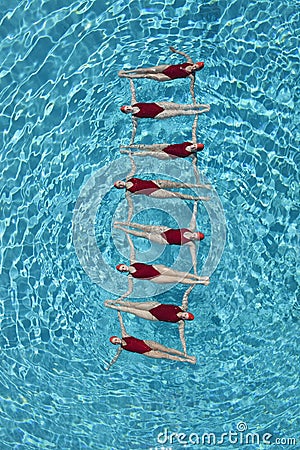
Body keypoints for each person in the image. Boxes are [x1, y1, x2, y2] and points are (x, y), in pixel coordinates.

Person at [122, 79, 210, 143]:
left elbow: (133, 92)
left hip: (159, 104)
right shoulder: (134, 117)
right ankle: (201, 112)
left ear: (128, 105)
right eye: (127, 110)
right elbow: (134, 129)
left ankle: (203, 106)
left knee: (182, 106)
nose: (129, 109)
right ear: (127, 113)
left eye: (127, 107)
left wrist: (130, 80)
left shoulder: (134, 102)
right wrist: (131, 141)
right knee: (181, 112)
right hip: (159, 114)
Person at [106, 311, 196, 369]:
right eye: (115, 342)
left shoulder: (125, 335)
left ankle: (188, 356)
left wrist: (119, 313)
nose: (117, 341)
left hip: (148, 343)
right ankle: (188, 360)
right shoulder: (121, 348)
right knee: (167, 356)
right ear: (115, 344)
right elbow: (116, 357)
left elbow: (122, 324)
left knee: (168, 350)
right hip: (147, 352)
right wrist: (110, 365)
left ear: (117, 337)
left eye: (116, 339)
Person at [104, 299, 194, 354]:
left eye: (185, 318)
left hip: (152, 316)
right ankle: (113, 301)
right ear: (186, 312)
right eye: (185, 315)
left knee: (131, 310)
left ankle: (111, 306)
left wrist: (184, 348)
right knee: (133, 304)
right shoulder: (181, 307)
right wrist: (192, 286)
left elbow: (182, 336)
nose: (183, 316)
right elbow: (185, 296)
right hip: (155, 305)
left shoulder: (180, 322)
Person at [118, 46, 204, 82]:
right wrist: (175, 51)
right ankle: (126, 72)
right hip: (166, 68)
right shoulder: (189, 62)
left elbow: (191, 88)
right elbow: (185, 55)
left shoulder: (191, 76)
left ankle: (125, 76)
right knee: (146, 70)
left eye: (196, 69)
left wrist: (193, 99)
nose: (194, 68)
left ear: (198, 71)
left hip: (167, 77)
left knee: (146, 75)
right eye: (195, 66)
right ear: (195, 64)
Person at [113, 177, 211, 202]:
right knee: (177, 195)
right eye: (119, 186)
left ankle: (202, 186)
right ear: (120, 188)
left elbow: (133, 167)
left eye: (119, 182)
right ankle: (200, 198)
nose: (120, 184)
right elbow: (131, 206)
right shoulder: (128, 193)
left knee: (179, 184)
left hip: (155, 182)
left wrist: (130, 156)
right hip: (154, 192)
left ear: (120, 181)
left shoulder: (129, 178)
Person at [116, 262, 210, 285]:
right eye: (122, 270)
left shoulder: (133, 263)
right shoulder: (131, 276)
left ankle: (199, 277)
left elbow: (132, 248)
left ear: (124, 264)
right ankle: (200, 282)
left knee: (177, 273)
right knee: (177, 279)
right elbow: (129, 287)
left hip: (156, 267)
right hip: (154, 278)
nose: (124, 269)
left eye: (123, 267)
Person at [120, 141, 205, 160]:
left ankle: (128, 153)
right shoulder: (189, 143)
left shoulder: (192, 155)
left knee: (147, 153)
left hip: (167, 155)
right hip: (167, 146)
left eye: (195, 148)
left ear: (196, 151)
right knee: (147, 146)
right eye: (194, 145)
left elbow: (194, 165)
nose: (193, 147)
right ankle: (126, 146)